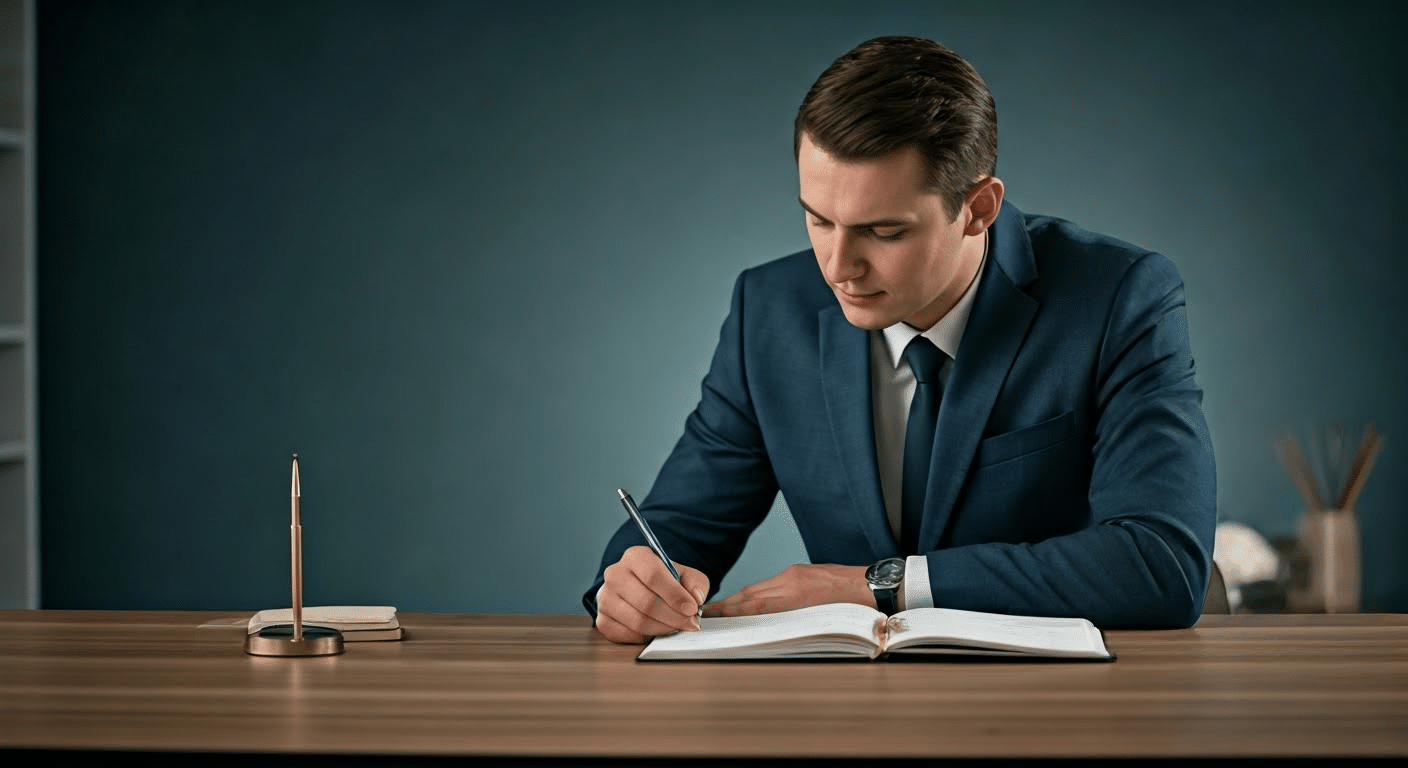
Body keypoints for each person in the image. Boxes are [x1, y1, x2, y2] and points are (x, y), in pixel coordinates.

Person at [585, 36, 1216, 644]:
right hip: (841, 724)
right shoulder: (770, 310)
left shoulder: (1119, 297)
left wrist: (880, 586)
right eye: (817, 219)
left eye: (883, 231)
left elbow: (1159, 562)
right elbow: (676, 527)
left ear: (978, 208)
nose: (837, 267)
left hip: (1053, 715)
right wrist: (635, 583)